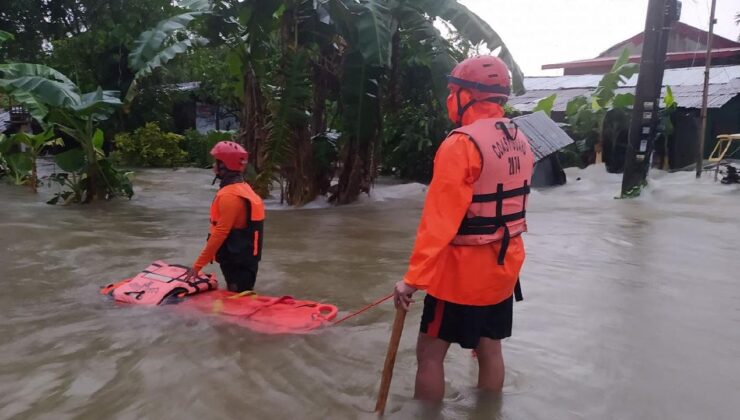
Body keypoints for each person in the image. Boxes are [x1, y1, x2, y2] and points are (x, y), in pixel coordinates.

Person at [393, 55, 534, 401]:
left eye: (453, 91)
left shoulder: (461, 144)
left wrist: (412, 280)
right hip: (504, 269)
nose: (449, 99)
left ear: (468, 95)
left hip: (461, 275)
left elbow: (439, 222)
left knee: (429, 354)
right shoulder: (520, 138)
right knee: (490, 349)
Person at [185, 141, 265, 292]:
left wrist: (197, 266)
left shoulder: (229, 196)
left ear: (224, 166)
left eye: (216, 162)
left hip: (236, 260)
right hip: (246, 257)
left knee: (237, 292)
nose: (213, 167)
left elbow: (220, 233)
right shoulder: (244, 188)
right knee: (242, 291)